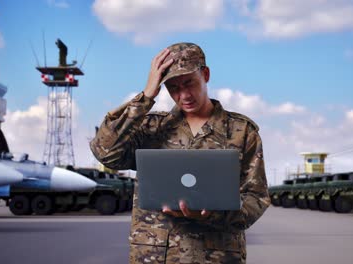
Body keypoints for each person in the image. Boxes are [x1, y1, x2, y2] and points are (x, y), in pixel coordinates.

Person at [90, 42, 270, 264]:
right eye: (173, 87)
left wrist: (214, 213)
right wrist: (146, 96)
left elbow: (256, 197)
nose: (184, 94)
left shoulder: (241, 131)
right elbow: (104, 152)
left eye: (189, 83)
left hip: (217, 255)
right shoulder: (150, 128)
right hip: (157, 256)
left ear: (205, 74)